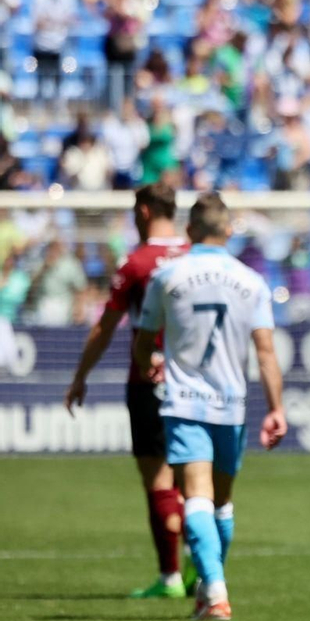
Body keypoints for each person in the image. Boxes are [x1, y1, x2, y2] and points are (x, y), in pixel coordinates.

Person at [133, 193, 287, 621]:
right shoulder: (252, 281)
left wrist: (152, 365)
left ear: (189, 231)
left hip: (184, 402)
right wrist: (276, 409)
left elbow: (144, 342)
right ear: (229, 232)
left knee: (196, 497)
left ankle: (214, 592)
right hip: (231, 405)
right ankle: (210, 588)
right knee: (221, 502)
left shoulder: (167, 276)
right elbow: (266, 353)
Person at [64, 184, 191, 598]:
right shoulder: (198, 255)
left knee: (157, 478)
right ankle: (204, 568)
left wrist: (81, 374)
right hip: (195, 383)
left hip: (148, 380)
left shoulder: (138, 262)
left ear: (144, 210)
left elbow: (106, 326)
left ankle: (171, 576)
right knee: (196, 479)